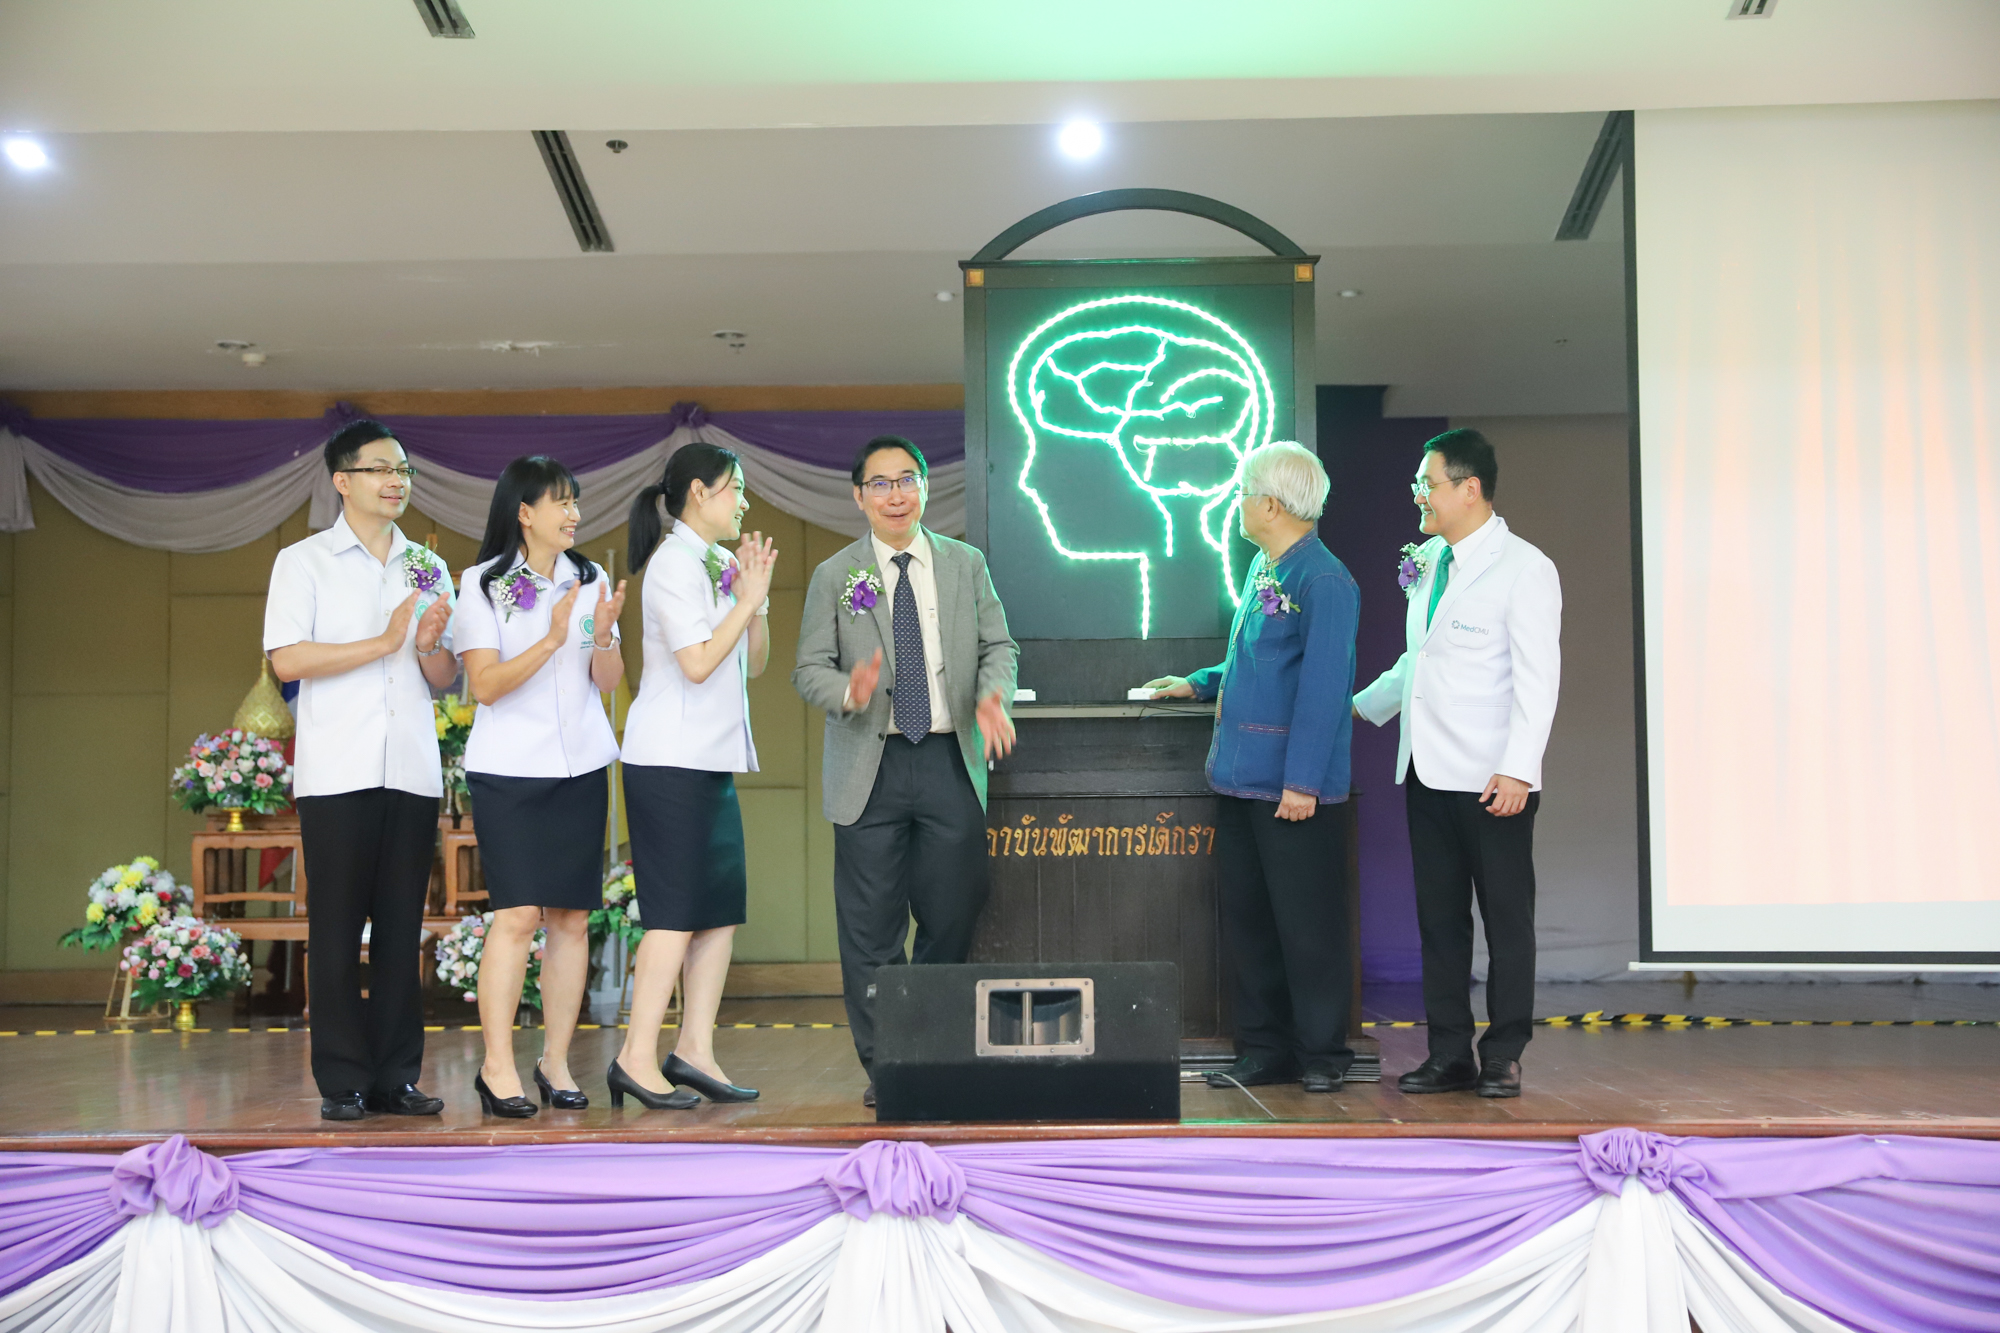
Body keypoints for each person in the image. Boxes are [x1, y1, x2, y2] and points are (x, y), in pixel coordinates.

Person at [794, 435, 1019, 1109]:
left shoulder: (964, 564)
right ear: (859, 496)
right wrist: (848, 691)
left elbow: (999, 646)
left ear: (924, 487)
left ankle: (932, 1047)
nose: (896, 495)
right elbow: (808, 668)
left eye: (907, 480)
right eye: (881, 483)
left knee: (952, 912)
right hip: (870, 764)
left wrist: (992, 696)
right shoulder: (835, 574)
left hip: (950, 758)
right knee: (870, 928)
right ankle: (890, 1063)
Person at [1144, 441, 1361, 1094]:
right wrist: (1199, 681)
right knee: (1253, 924)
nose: (1236, 503)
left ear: (1270, 504)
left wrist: (1301, 782)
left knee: (1308, 927)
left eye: (1243, 492)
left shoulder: (1323, 579)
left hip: (1291, 790)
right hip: (1241, 780)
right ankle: (1264, 1050)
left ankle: (1322, 1054)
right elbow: (1255, 659)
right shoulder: (1267, 568)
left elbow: (1324, 687)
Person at [1353, 428, 1561, 1099]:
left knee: (1507, 922)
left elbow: (1538, 681)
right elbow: (1420, 661)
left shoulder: (1524, 567)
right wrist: (1357, 707)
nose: (1418, 494)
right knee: (1439, 923)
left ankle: (1503, 1053)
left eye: (1428, 483)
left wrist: (1519, 768)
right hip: (1427, 770)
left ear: (1469, 489)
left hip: (1494, 779)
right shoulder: (1428, 560)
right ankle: (1448, 1052)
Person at [265, 419, 457, 1122]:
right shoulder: (303, 562)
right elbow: (288, 659)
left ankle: (397, 1077)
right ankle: (343, 1078)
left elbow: (444, 677)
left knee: (403, 929)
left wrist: (428, 645)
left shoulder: (427, 566)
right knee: (338, 930)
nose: (396, 481)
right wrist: (382, 641)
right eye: (381, 469)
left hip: (410, 768)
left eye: (403, 470)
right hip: (338, 771)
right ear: (343, 480)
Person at [453, 456, 626, 1118]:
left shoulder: (592, 577)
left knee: (572, 918)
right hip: (509, 771)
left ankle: (555, 1060)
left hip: (580, 766)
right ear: (524, 512)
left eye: (576, 502)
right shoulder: (482, 583)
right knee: (518, 916)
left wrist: (602, 636)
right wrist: (553, 639)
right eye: (562, 502)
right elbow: (485, 685)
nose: (574, 514)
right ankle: (497, 1066)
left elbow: (607, 681)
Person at [610, 443, 777, 1111]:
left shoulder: (717, 563)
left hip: (711, 758)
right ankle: (634, 1056)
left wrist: (755, 604)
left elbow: (753, 663)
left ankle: (695, 1051)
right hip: (668, 759)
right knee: (675, 916)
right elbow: (699, 663)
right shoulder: (672, 565)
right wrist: (746, 599)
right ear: (700, 493)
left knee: (718, 915)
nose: (744, 502)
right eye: (735, 488)